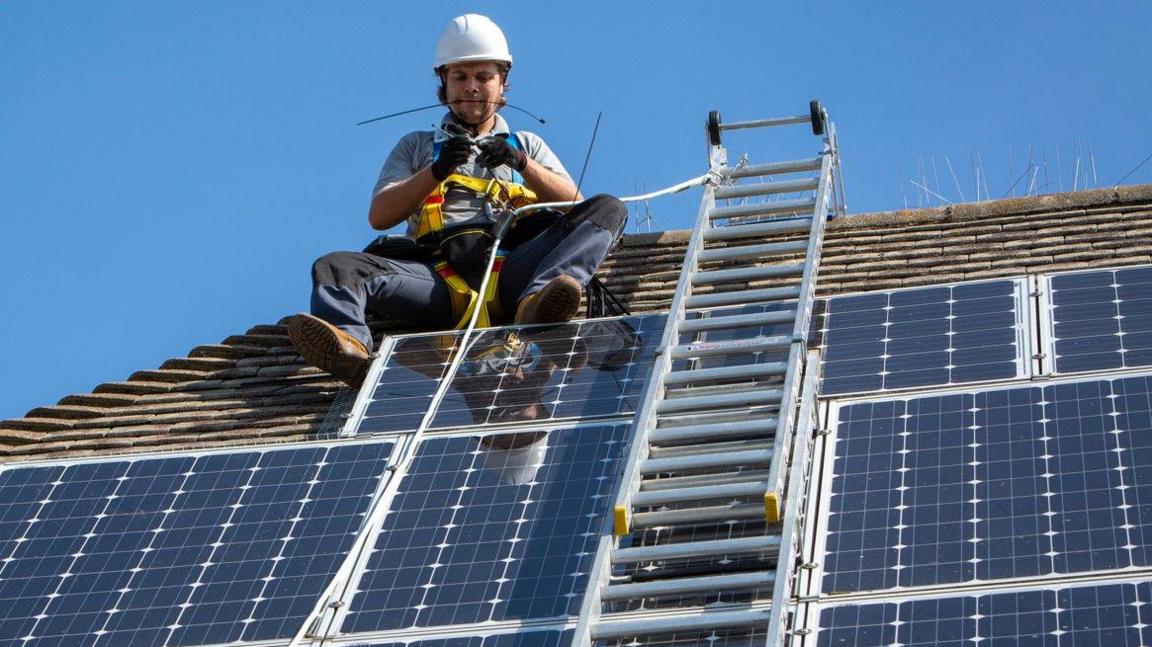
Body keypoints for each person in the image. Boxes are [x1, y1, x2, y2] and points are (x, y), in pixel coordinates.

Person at [287, 13, 627, 386]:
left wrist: (521, 163)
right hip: (437, 279)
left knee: (609, 207)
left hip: (512, 268)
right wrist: (436, 170)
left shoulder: (527, 144)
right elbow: (380, 215)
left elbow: (575, 206)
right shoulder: (417, 146)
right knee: (335, 267)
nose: (472, 87)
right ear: (443, 83)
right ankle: (351, 351)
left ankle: (539, 301)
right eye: (460, 77)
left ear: (502, 84)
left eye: (484, 77)